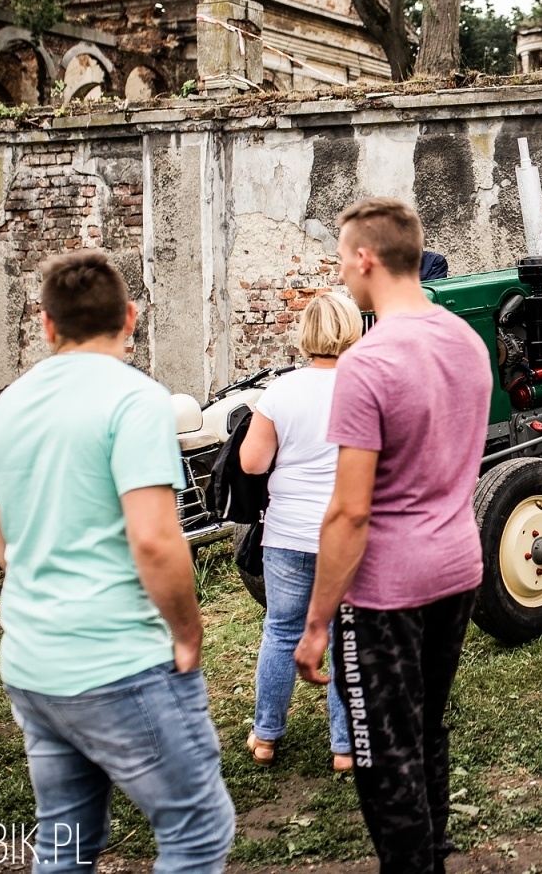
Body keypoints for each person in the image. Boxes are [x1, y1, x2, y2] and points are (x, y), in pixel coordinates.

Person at [0, 251, 235, 872]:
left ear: (46, 324)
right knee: (197, 827)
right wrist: (189, 630)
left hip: (33, 663)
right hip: (118, 662)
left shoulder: (1, 411)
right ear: (131, 317)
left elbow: (0, 541)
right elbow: (154, 540)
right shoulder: (134, 399)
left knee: (65, 838)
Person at [294, 198, 491, 873]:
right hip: (459, 566)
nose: (342, 273)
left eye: (343, 259)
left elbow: (349, 513)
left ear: (364, 258)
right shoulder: (467, 340)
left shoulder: (367, 363)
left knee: (383, 754)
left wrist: (318, 620)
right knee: (427, 729)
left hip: (386, 592)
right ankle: (432, 855)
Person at [239, 293, 363, 773]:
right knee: (344, 636)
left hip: (289, 535)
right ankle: (345, 747)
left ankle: (266, 735)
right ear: (353, 330)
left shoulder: (281, 392)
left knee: (281, 629)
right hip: (348, 535)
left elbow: (252, 463)